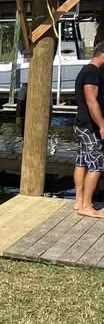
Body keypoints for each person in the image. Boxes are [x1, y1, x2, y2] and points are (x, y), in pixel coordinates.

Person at [73, 43, 104, 217]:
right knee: (97, 164)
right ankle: (86, 206)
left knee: (82, 161)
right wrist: (102, 125)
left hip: (82, 123)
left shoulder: (86, 69)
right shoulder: (93, 72)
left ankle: (79, 201)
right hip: (90, 126)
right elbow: (92, 101)